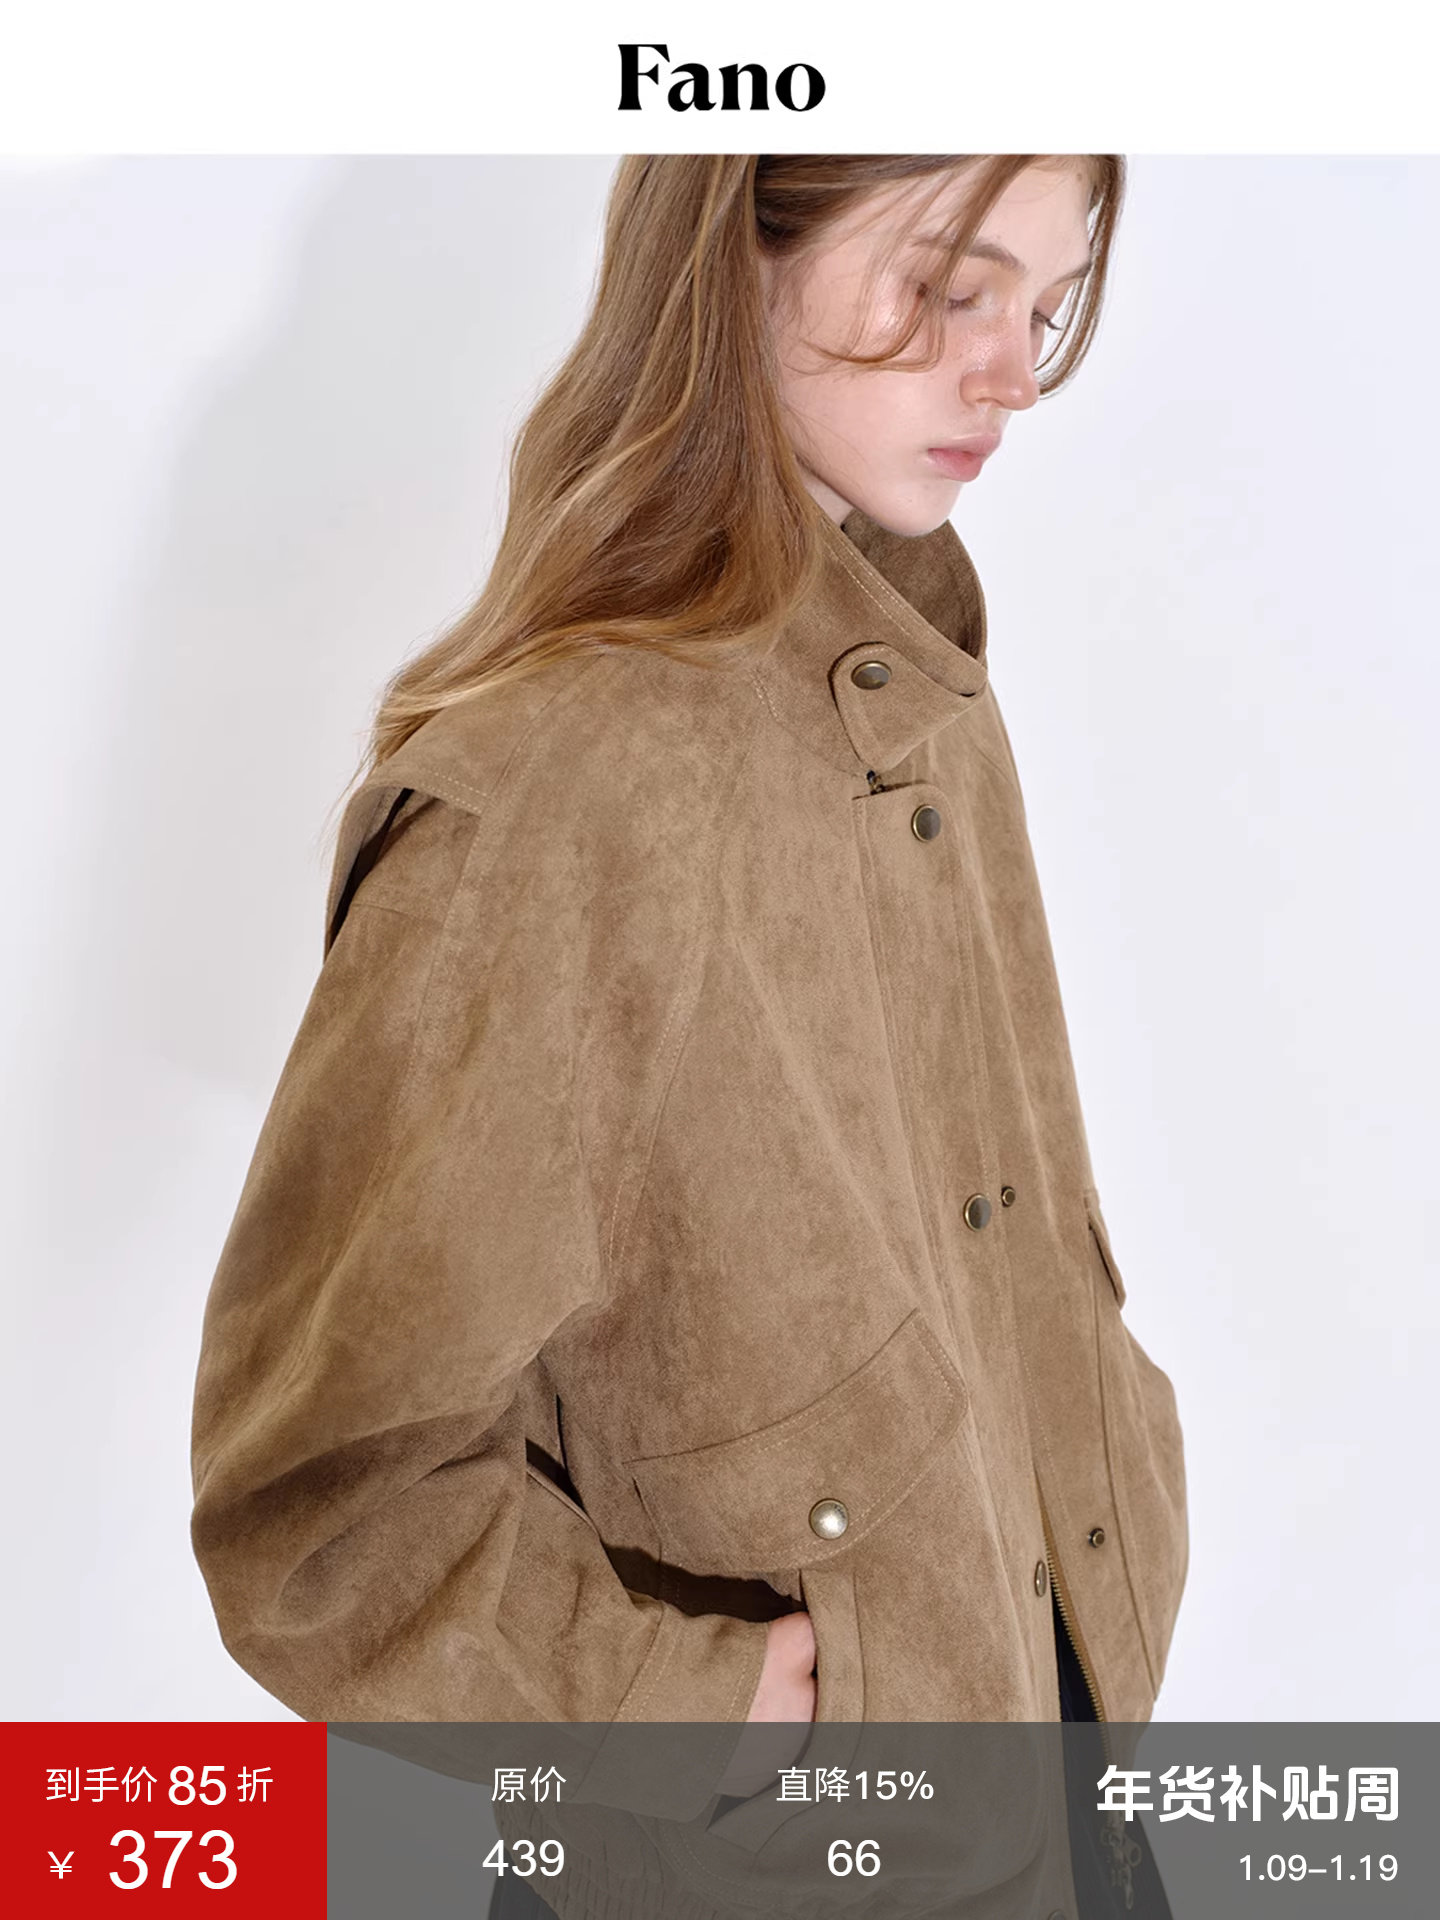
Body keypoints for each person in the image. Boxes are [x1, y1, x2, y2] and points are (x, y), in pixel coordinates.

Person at [190, 154, 1187, 1918]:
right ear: (738, 252)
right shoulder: (550, 798)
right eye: (946, 285)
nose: (1012, 373)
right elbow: (322, 1507)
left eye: (1041, 306)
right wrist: (680, 1712)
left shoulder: (918, 693)